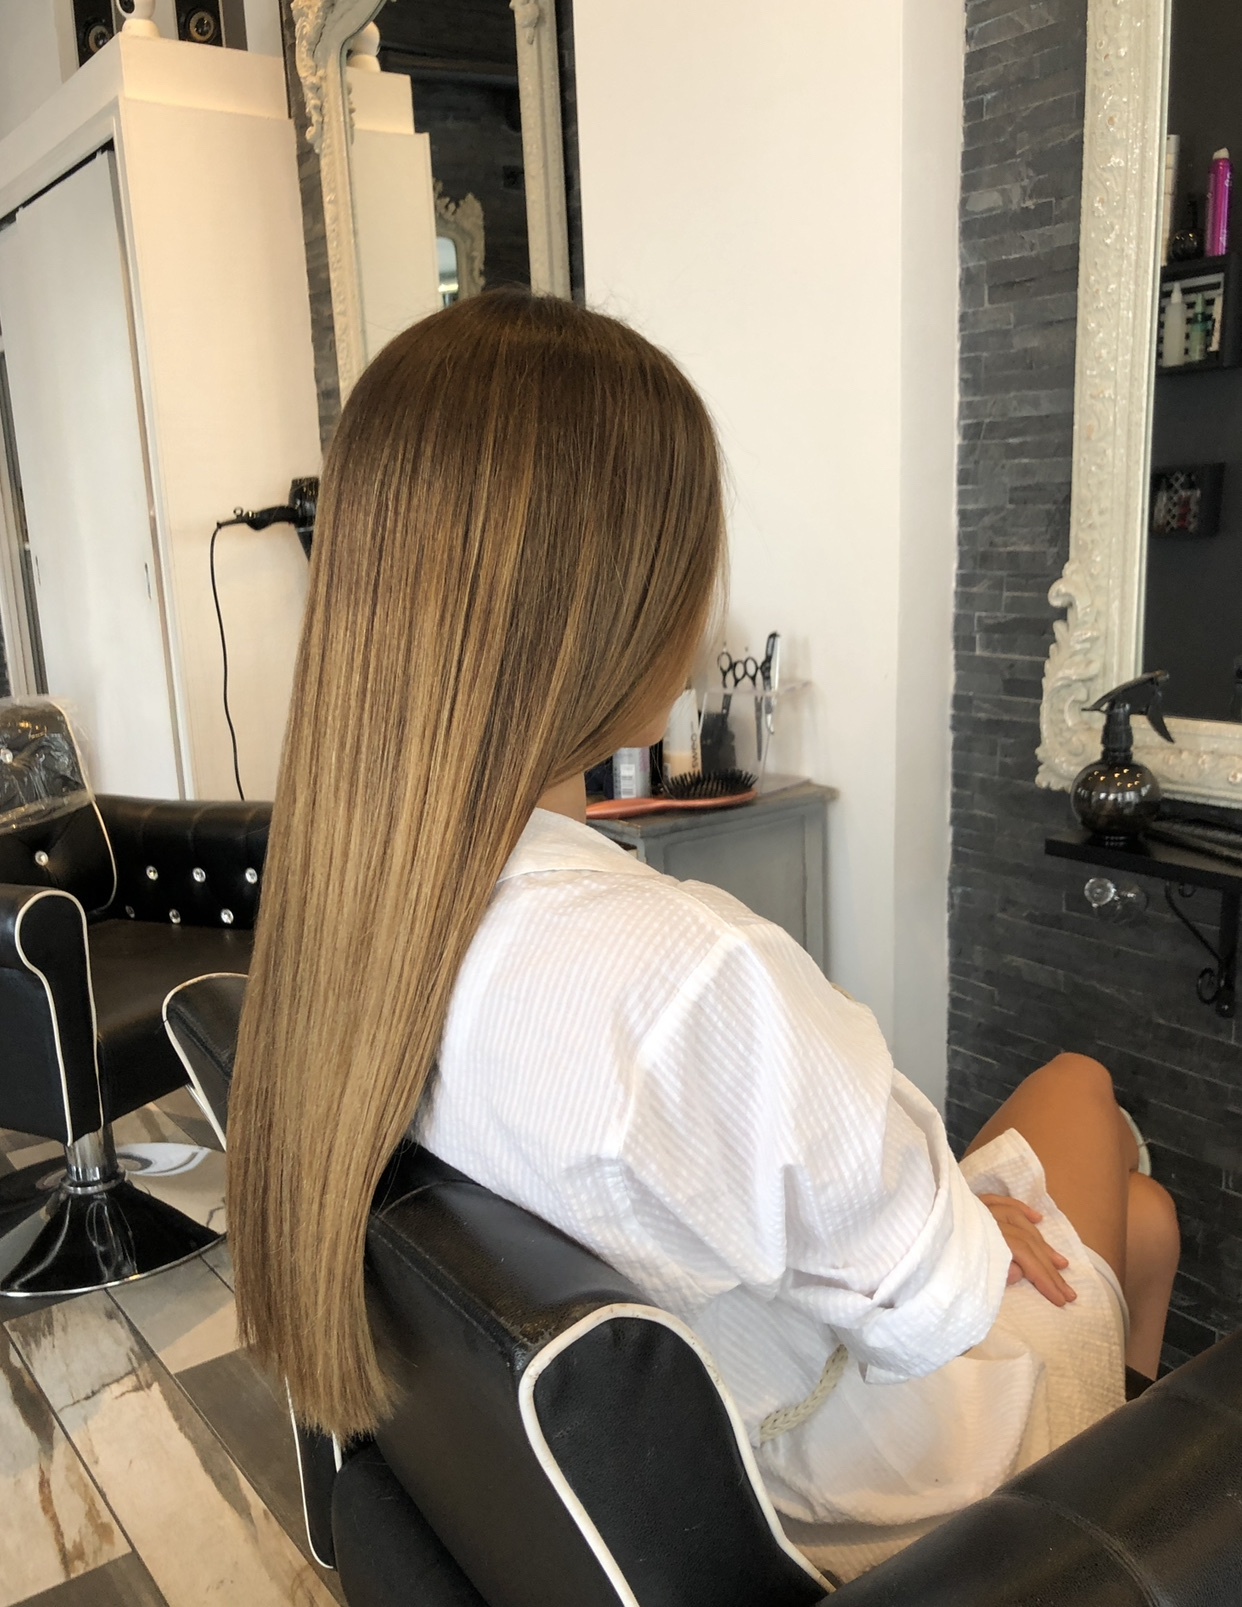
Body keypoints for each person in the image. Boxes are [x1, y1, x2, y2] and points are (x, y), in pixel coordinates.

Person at [228, 290, 1180, 1583]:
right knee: (1084, 1090)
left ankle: (1113, 1528)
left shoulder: (357, 917)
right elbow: (931, 1307)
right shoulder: (684, 979)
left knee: (1143, 1220)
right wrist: (951, 1229)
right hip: (858, 1467)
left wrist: (936, 1218)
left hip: (719, 1417)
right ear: (618, 599)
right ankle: (1107, 1529)